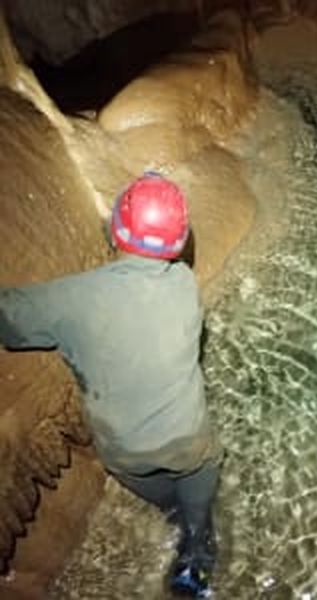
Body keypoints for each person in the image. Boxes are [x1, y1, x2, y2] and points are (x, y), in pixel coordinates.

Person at [0, 172, 221, 598]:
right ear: (179, 242)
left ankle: (173, 515)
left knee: (163, 496)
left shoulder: (73, 299)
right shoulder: (183, 285)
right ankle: (198, 549)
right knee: (199, 491)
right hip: (188, 439)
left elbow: (11, 322)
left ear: (116, 230)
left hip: (126, 452)